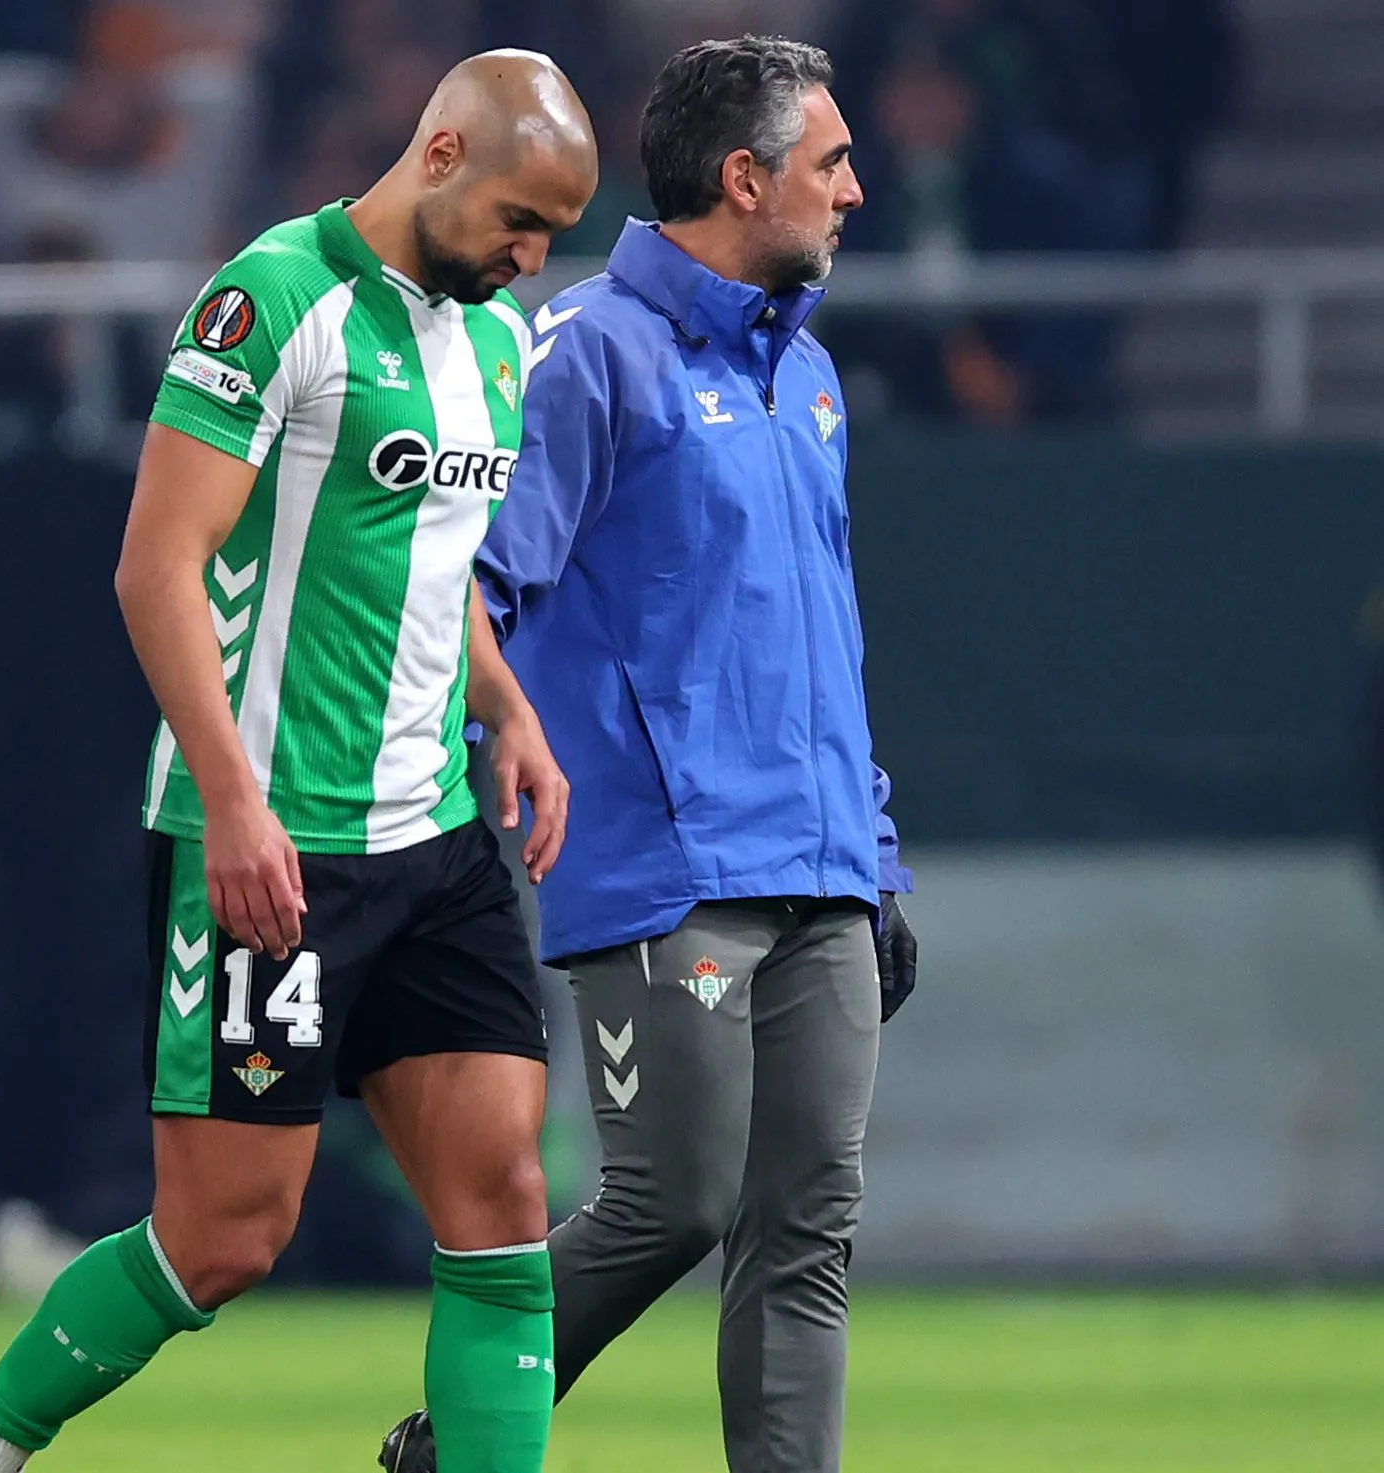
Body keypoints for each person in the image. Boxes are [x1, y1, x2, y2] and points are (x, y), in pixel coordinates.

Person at [0, 49, 597, 1473]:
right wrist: (230, 800)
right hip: (276, 838)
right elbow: (158, 565)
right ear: (442, 156)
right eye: (519, 221)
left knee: (504, 1207)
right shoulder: (272, 300)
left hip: (435, 839)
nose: (530, 259)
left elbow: (430, 563)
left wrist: (506, 704)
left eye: (552, 237)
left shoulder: (498, 342)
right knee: (225, 1237)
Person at [381, 36, 920, 1473]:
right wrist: (481, 767)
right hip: (664, 869)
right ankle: (461, 1437)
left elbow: (823, 636)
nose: (854, 191)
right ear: (745, 178)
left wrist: (873, 853)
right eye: (831, 163)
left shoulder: (807, 373)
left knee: (808, 1229)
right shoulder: (585, 355)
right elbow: (467, 592)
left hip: (821, 870)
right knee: (670, 1202)